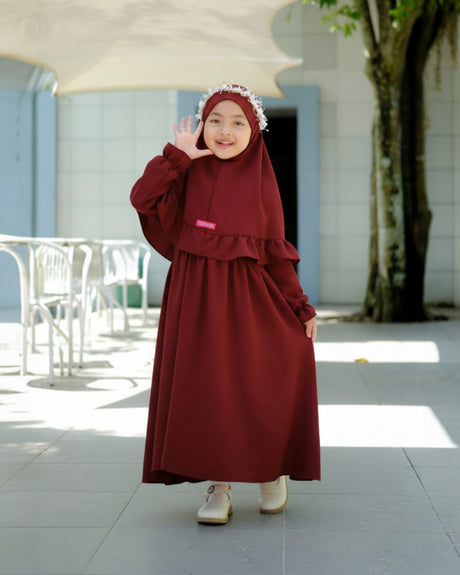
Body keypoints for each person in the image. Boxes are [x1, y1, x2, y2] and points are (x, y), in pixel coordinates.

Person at [130, 83, 320, 525]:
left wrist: (300, 307)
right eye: (215, 120)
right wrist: (176, 157)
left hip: (252, 302)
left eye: (238, 123)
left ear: (253, 132)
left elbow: (275, 253)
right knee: (208, 387)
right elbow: (143, 199)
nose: (225, 131)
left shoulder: (262, 184)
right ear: (202, 125)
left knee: (258, 381)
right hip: (196, 302)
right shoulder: (185, 171)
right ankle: (220, 484)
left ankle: (271, 471)